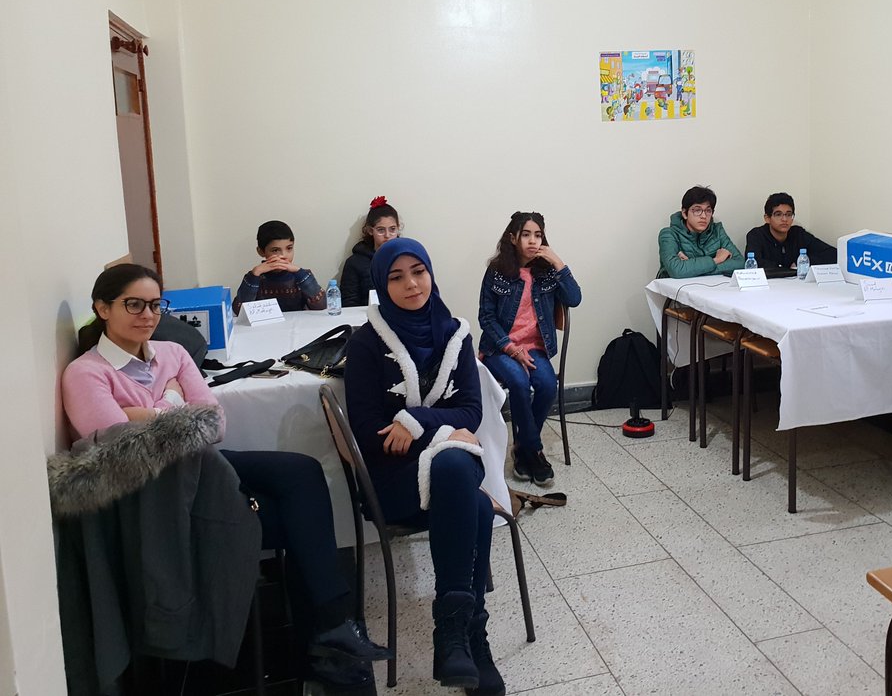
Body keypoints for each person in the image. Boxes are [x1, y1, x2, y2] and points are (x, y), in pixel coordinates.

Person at [61, 264, 389, 689]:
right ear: (102, 308)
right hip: (154, 493)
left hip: (201, 466)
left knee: (302, 472)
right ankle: (328, 634)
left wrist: (148, 415)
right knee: (295, 518)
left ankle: (330, 626)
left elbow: (215, 424)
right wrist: (175, 406)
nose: (147, 315)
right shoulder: (86, 372)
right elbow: (115, 445)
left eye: (155, 305)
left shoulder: (173, 354)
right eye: (133, 304)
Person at [343, 238, 505, 696]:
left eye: (418, 271)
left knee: (455, 468)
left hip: (443, 469)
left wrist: (417, 421)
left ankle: (454, 636)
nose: (411, 284)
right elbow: (370, 432)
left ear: (431, 273)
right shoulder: (366, 345)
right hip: (393, 481)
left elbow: (471, 410)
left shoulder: (456, 333)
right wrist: (445, 432)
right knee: (471, 499)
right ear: (380, 284)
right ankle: (468, 631)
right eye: (396, 277)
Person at [478, 212, 582, 487]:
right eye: (526, 234)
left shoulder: (546, 272)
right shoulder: (497, 271)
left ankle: (522, 449)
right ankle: (534, 451)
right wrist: (511, 348)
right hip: (500, 347)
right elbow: (485, 318)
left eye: (538, 235)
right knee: (518, 381)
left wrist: (557, 261)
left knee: (547, 385)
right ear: (513, 238)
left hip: (535, 347)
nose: (533, 241)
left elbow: (575, 298)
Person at [234, 220, 326, 314]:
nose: (284, 255)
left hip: (297, 326)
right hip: (265, 327)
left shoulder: (302, 276)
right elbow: (239, 311)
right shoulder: (255, 278)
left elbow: (322, 305)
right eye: (275, 250)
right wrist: (254, 275)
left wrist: (300, 273)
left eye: (289, 248)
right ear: (261, 252)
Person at [657, 184, 744, 278]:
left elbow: (740, 264)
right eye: (697, 210)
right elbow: (677, 270)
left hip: (709, 289)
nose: (703, 216)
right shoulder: (668, 235)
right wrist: (716, 260)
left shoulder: (717, 232)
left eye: (708, 211)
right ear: (685, 213)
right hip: (675, 290)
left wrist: (691, 269)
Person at [744, 192, 837, 270]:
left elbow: (832, 254)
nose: (784, 219)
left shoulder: (798, 234)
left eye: (789, 214)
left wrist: (801, 262)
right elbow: (753, 263)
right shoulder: (756, 236)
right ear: (767, 218)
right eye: (778, 214)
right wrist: (785, 268)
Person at [341, 196, 403, 307]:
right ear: (370, 231)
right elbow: (349, 303)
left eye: (392, 229)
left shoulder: (406, 258)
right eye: (381, 230)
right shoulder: (355, 262)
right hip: (365, 319)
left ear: (398, 228)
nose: (387, 235)